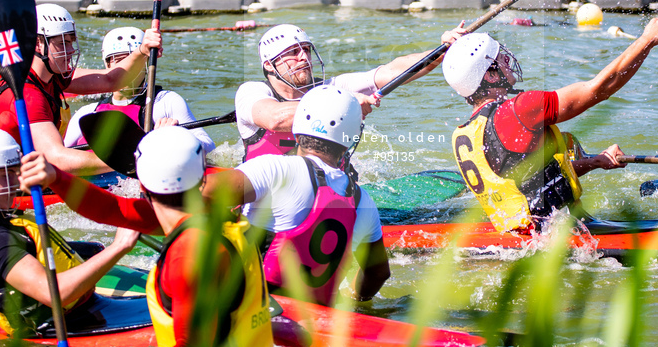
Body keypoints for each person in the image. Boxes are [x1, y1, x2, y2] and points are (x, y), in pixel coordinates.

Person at [20, 126, 274, 347]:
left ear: (141, 184)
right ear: (202, 178)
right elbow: (112, 208)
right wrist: (56, 177)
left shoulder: (188, 255)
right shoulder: (213, 218)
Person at [441, 18, 658, 234]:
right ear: (491, 76)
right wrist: (646, 40)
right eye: (499, 58)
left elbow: (532, 184)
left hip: (520, 239)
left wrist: (595, 162)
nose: (507, 59)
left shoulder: (465, 133)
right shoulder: (520, 109)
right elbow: (599, 89)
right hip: (562, 234)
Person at [0, 128, 143, 337]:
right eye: (6, 175)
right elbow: (54, 293)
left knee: (94, 249)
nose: (17, 183)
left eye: (16, 172)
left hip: (77, 306)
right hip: (68, 321)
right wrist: (120, 246)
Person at [208, 85, 389, 306]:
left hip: (256, 313)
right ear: (351, 137)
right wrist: (354, 300)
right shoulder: (363, 200)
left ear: (298, 126)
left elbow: (201, 193)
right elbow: (378, 273)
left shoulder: (274, 169)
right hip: (318, 321)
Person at [0, 4, 162, 175]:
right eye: (63, 43)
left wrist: (142, 51)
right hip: (2, 181)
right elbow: (57, 159)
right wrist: (133, 158)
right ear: (38, 43)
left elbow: (110, 79)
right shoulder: (28, 95)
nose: (71, 50)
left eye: (71, 42)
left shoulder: (53, 76)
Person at [236, 23, 465, 162]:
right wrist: (341, 103)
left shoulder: (331, 87)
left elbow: (390, 71)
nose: (304, 58)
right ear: (268, 65)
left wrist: (442, 51)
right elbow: (274, 119)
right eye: (293, 53)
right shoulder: (252, 92)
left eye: (306, 50)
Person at [64, 26, 215, 154]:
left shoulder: (165, 102)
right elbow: (62, 155)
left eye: (132, 63)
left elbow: (209, 147)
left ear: (145, 66)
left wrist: (176, 137)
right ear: (107, 66)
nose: (127, 72)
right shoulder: (87, 113)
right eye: (118, 62)